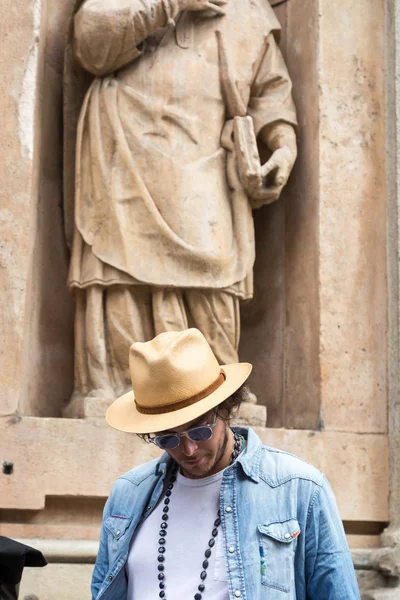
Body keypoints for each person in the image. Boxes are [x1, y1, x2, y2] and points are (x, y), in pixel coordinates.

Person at [67, 0, 298, 401]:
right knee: (123, 277)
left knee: (214, 282)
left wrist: (282, 146)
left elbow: (270, 90)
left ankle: (212, 398)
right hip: (125, 150)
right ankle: (128, 392)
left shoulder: (250, 11)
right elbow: (90, 45)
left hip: (205, 165)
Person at [92, 328, 360, 599]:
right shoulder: (127, 494)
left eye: (200, 431)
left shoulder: (299, 489)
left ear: (226, 407)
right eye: (167, 439)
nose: (188, 448)